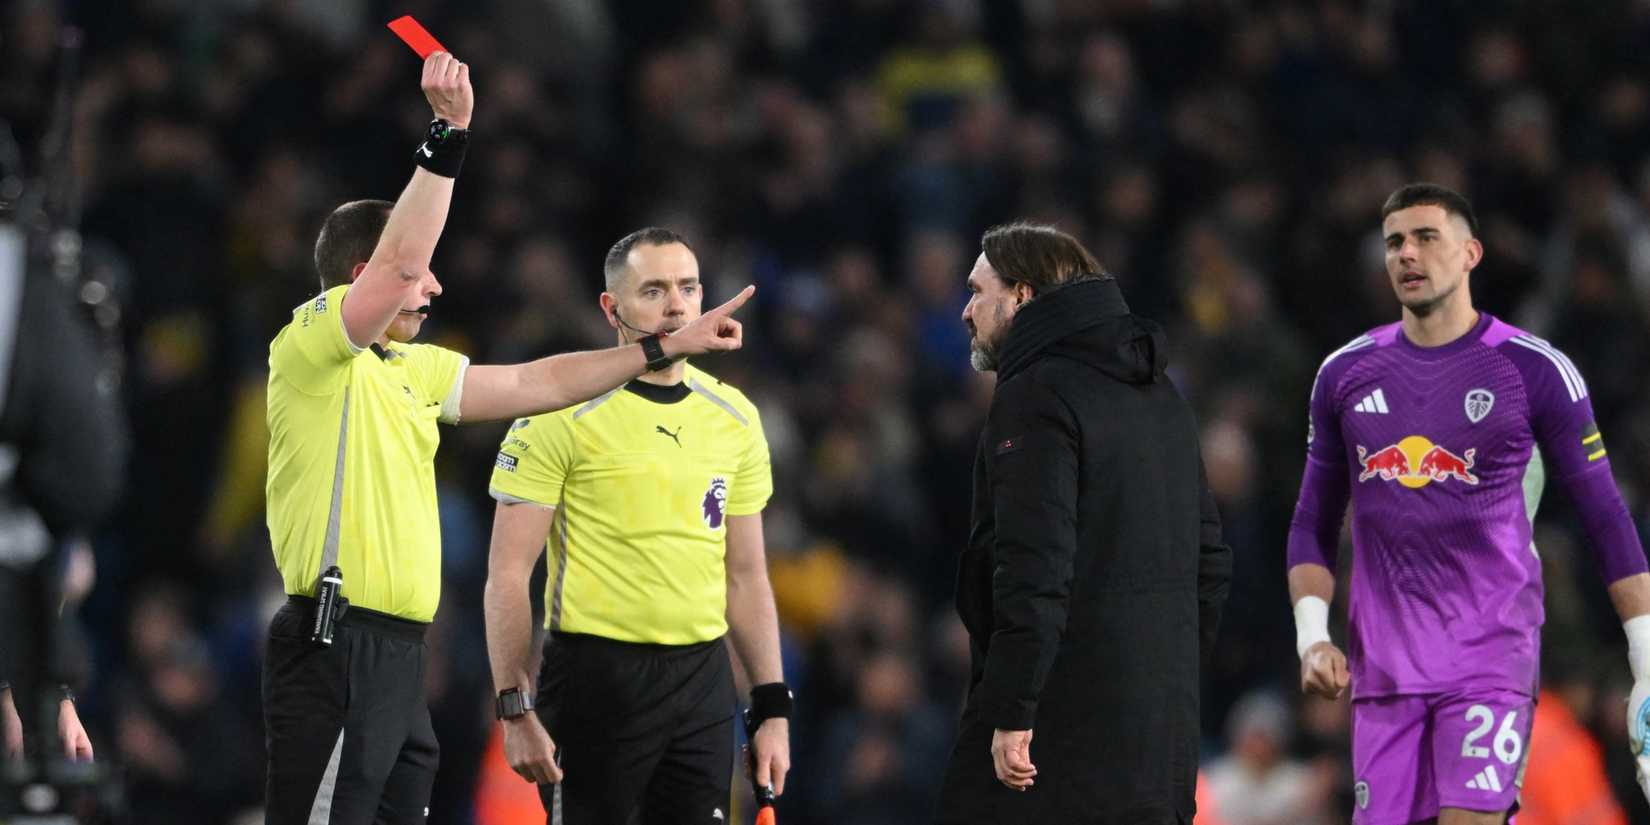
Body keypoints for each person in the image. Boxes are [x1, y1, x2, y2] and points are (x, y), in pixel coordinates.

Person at [262, 60, 753, 825]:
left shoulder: (414, 371)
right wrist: (449, 134)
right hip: (335, 650)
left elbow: (537, 383)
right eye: (423, 276)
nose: (433, 288)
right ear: (368, 279)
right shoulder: (311, 351)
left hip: (398, 657)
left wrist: (661, 347)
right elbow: (397, 264)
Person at [1286, 182, 1650, 825]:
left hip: (1490, 657)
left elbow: (1605, 516)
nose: (1406, 254)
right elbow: (1313, 519)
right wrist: (1312, 637)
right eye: (1395, 241)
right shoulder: (1344, 375)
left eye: (1427, 237)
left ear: (1471, 253)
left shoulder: (1532, 370)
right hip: (1384, 671)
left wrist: (1644, 658)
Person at [483, 227, 789, 824]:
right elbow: (507, 575)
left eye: (688, 288)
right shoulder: (557, 414)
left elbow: (747, 577)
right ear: (611, 307)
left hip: (702, 683)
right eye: (653, 290)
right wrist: (516, 712)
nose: (676, 305)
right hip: (598, 681)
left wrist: (772, 707)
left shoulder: (735, 418)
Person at [935, 222, 1232, 823]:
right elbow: (1211, 564)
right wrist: (1158, 675)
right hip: (1160, 745)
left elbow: (1031, 569)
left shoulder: (1036, 395)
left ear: (1021, 295)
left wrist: (1012, 710)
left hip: (1058, 745)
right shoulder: (1161, 394)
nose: (966, 312)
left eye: (977, 291)